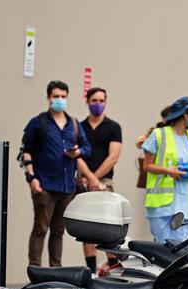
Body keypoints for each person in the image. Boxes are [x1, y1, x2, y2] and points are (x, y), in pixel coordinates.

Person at [20, 80, 93, 267]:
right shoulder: (38, 123)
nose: (59, 100)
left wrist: (77, 152)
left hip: (67, 186)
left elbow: (86, 147)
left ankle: (56, 270)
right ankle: (35, 270)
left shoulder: (74, 124)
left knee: (58, 231)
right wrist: (32, 178)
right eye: (56, 97)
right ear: (48, 98)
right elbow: (25, 151)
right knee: (40, 228)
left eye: (63, 96)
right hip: (44, 186)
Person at [143, 96, 188, 242]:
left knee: (181, 250)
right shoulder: (159, 135)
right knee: (162, 250)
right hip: (162, 206)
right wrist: (169, 171)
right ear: (184, 114)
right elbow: (147, 165)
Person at [76, 87, 123, 274]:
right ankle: (91, 272)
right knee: (86, 229)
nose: (98, 104)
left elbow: (113, 157)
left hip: (105, 182)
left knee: (106, 227)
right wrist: (90, 178)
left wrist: (96, 179)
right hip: (84, 182)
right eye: (94, 100)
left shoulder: (113, 127)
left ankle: (115, 269)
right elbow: (76, 156)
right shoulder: (78, 127)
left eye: (101, 101)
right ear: (88, 102)